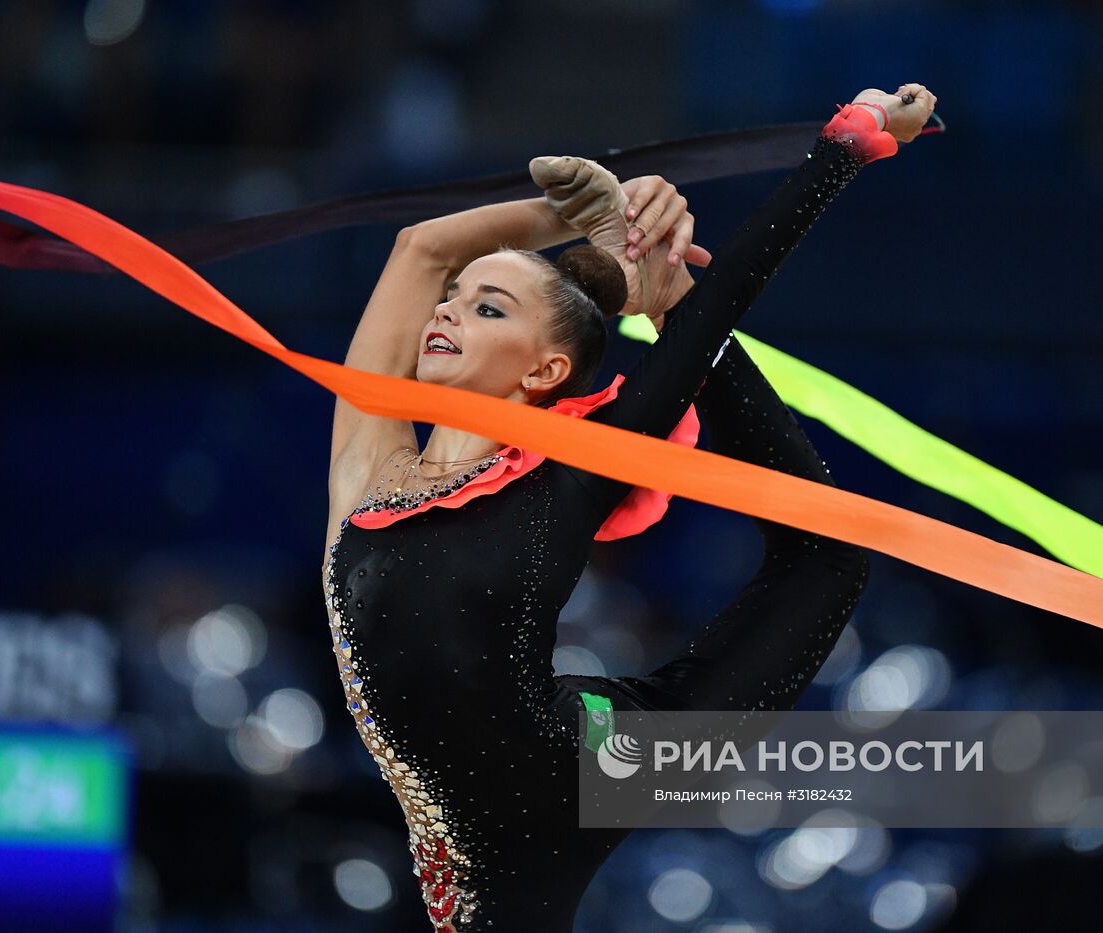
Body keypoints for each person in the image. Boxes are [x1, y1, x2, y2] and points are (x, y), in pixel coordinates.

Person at [322, 84, 937, 931]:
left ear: (542, 373)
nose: (449, 311)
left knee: (829, 555)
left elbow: (726, 304)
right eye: (456, 300)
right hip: (578, 768)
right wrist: (575, 218)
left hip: (576, 774)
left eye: (488, 307)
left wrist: (843, 153)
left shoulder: (567, 475)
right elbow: (419, 249)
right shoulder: (371, 468)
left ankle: (667, 295)